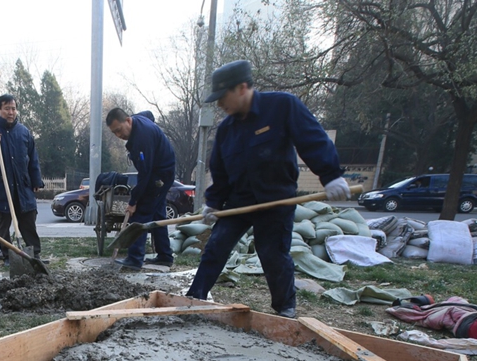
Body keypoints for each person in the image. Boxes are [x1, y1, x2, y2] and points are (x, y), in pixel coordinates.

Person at [186, 60, 350, 318]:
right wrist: (214, 203)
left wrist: (330, 175)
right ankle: (194, 299)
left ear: (242, 88)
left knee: (273, 255)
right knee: (216, 246)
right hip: (239, 202)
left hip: (276, 199)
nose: (219, 104)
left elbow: (312, 139)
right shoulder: (226, 129)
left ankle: (285, 309)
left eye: (222, 97)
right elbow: (219, 170)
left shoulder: (282, 106)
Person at [105, 108, 175, 271]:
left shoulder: (142, 138)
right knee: (157, 215)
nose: (118, 135)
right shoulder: (136, 122)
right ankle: (165, 255)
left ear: (128, 121)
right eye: (114, 133)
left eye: (119, 130)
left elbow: (145, 174)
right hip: (162, 172)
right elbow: (148, 114)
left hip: (160, 175)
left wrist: (134, 201)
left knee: (141, 214)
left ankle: (135, 259)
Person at [0, 94, 45, 261]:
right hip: (2, 186)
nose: (11, 112)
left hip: (23, 186)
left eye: (13, 108)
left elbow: (33, 158)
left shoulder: (24, 132)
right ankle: (8, 255)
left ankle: (34, 254)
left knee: (28, 220)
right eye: (7, 108)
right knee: (4, 222)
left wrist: (36, 180)